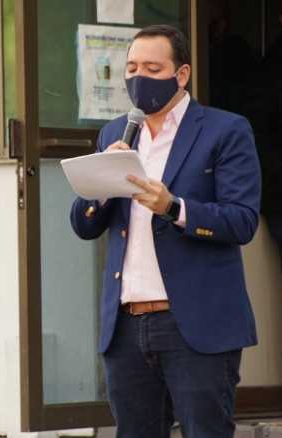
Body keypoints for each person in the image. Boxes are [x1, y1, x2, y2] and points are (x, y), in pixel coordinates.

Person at [70, 25, 260, 438]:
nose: (140, 77)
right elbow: (84, 225)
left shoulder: (225, 130)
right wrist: (101, 184)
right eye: (133, 67)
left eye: (153, 68)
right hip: (126, 325)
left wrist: (174, 208)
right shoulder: (115, 133)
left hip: (196, 324)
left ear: (182, 74)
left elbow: (242, 220)